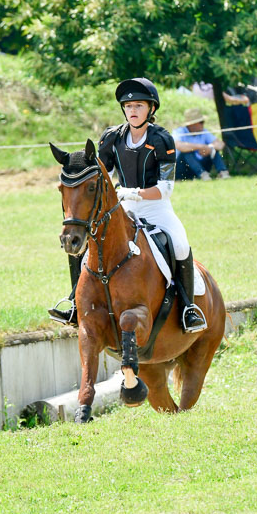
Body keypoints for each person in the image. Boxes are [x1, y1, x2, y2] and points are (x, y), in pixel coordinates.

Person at [48, 78, 207, 333]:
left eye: (139, 105)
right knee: (86, 247)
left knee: (179, 242)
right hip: (123, 209)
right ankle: (74, 304)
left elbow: (166, 188)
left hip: (156, 208)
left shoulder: (162, 138)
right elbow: (102, 174)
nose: (133, 110)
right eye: (129, 106)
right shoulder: (112, 137)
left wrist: (134, 193)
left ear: (151, 109)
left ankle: (189, 308)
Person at [173, 108, 230, 181]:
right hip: (183, 168)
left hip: (200, 164)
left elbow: (220, 144)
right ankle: (202, 174)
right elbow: (179, 146)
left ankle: (223, 172)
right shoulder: (179, 132)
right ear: (192, 124)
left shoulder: (204, 132)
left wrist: (210, 148)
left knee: (214, 151)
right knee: (186, 153)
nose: (203, 124)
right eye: (201, 122)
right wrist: (201, 147)